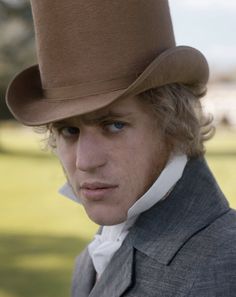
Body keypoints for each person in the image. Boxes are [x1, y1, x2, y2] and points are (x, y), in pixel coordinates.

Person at [6, 1, 236, 296]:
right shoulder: (93, 257)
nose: (85, 162)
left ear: (173, 125)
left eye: (114, 125)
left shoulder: (225, 265)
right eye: (69, 130)